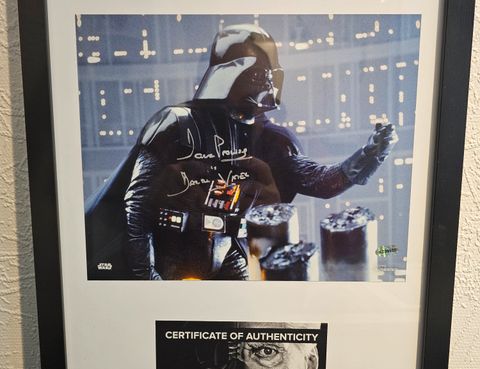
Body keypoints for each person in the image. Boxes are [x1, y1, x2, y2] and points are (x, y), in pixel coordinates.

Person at [85, 23, 397, 280]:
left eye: (268, 74)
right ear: (229, 75)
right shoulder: (177, 124)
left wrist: (370, 155)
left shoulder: (270, 140)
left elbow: (322, 182)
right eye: (256, 74)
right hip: (173, 254)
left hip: (230, 253)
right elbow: (137, 208)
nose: (266, 83)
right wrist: (145, 278)